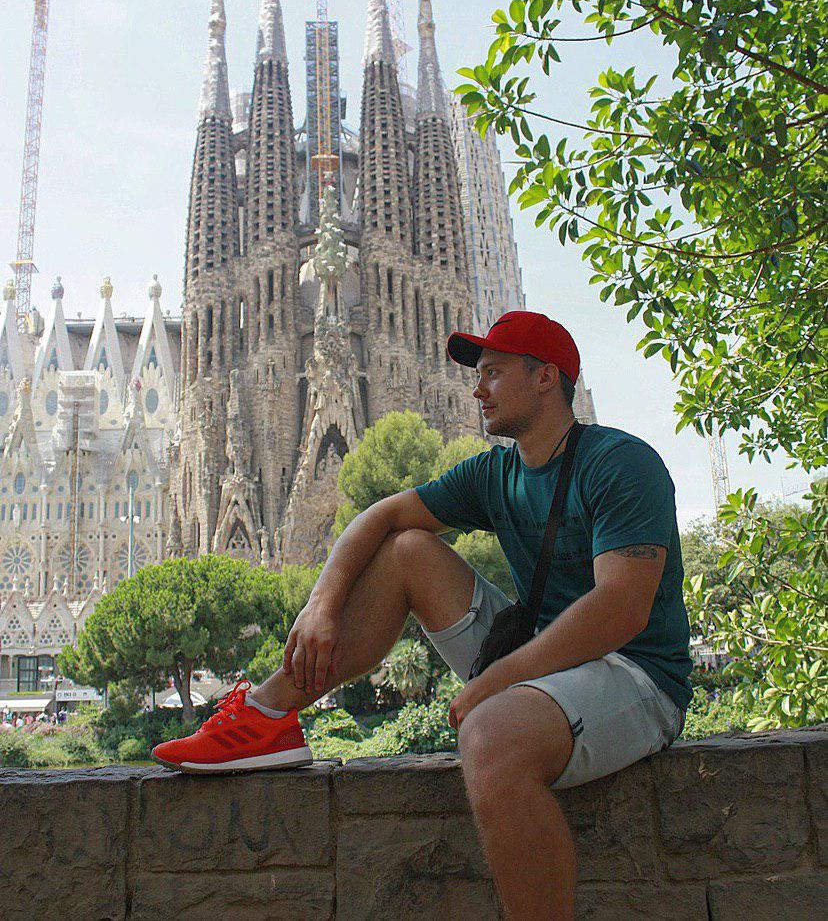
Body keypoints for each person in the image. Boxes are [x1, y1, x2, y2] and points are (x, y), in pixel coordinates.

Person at [153, 309, 693, 921]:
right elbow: (379, 516)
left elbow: (620, 610)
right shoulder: (498, 473)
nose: (476, 387)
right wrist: (321, 603)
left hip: (635, 676)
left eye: (492, 372)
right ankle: (267, 714)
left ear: (545, 378)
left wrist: (497, 679)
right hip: (541, 660)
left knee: (488, 736)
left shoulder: (620, 462)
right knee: (407, 550)